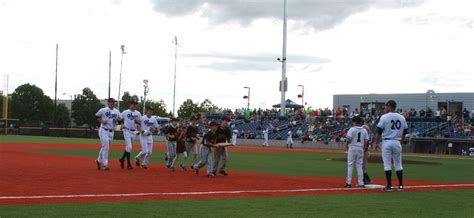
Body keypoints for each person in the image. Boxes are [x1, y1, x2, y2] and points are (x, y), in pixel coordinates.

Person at [374, 100, 408, 192]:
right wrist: (401, 141)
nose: (386, 108)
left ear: (389, 106)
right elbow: (405, 132)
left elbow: (378, 132)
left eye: (386, 106)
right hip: (397, 141)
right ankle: (400, 186)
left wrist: (376, 143)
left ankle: (389, 186)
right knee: (398, 164)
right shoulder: (402, 117)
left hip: (387, 142)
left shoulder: (384, 117)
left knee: (387, 164)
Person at [95, 98, 122, 170]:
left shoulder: (116, 111)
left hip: (111, 132)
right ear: (108, 103)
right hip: (103, 130)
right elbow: (97, 116)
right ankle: (105, 164)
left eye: (114, 102)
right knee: (106, 146)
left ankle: (98, 161)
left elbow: (120, 120)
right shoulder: (103, 110)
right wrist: (102, 121)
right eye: (112, 102)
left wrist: (119, 120)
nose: (113, 103)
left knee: (105, 147)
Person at [345, 116, 369, 188]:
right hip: (360, 148)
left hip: (352, 147)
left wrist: (346, 144)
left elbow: (349, 139)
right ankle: (361, 183)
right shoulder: (364, 130)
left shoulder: (352, 129)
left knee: (350, 165)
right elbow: (367, 140)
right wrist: (364, 147)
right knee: (359, 166)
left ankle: (348, 182)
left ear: (354, 122)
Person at [119, 101, 141, 170]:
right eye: (133, 104)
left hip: (133, 131)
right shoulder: (125, 112)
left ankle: (122, 159)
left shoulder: (138, 113)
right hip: (126, 130)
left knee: (128, 147)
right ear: (130, 105)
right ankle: (128, 164)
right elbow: (120, 119)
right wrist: (122, 124)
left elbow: (140, 122)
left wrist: (138, 122)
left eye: (135, 104)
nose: (134, 105)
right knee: (129, 146)